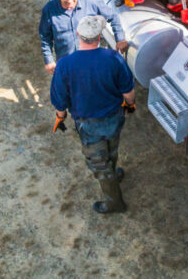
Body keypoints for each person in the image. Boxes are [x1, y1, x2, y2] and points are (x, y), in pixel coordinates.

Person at [51, 15, 136, 214]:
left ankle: (115, 203)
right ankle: (113, 173)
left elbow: (60, 100)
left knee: (98, 162)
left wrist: (60, 116)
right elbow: (128, 93)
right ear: (99, 37)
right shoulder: (113, 57)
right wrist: (130, 105)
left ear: (78, 35)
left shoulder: (65, 65)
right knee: (112, 148)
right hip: (114, 117)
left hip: (89, 124)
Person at [39, 0, 129, 74]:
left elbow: (113, 16)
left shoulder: (91, 3)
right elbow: (45, 37)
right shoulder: (49, 10)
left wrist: (120, 39)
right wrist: (49, 60)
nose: (69, 0)